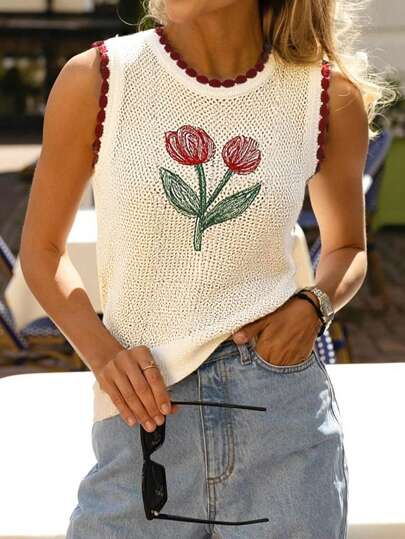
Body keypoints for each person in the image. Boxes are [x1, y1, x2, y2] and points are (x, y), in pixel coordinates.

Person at [19, 0, 394, 537]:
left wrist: (313, 306)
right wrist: (104, 356)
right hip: (144, 420)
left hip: (281, 419)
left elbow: (348, 248)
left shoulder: (328, 96)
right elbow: (42, 252)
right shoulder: (99, 79)